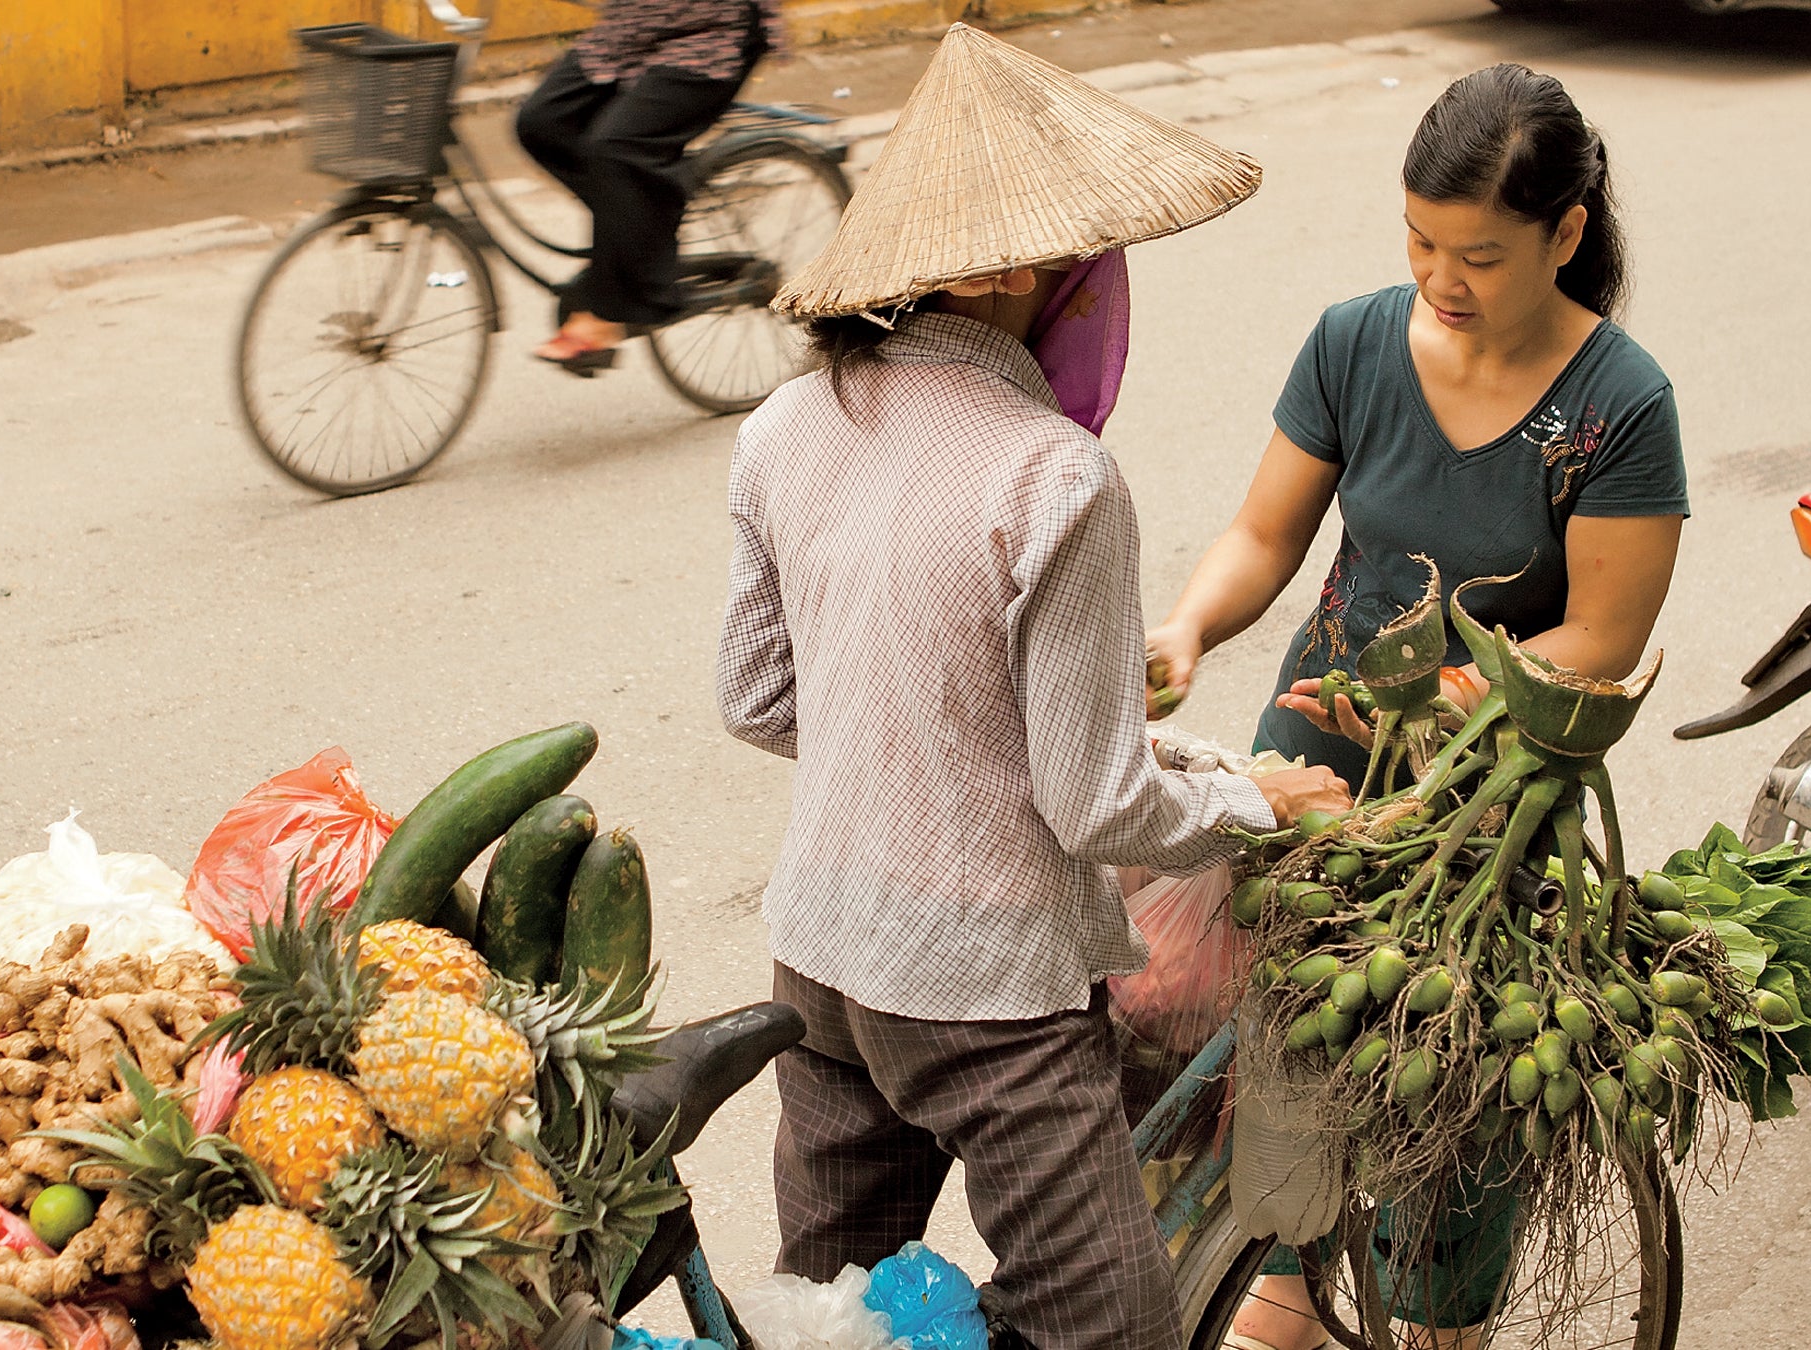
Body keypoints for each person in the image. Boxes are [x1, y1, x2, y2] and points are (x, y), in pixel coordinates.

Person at [714, 25, 1350, 1350]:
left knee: (828, 1316)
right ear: (1012, 267)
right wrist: (1256, 803)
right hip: (983, 993)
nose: (1100, 284)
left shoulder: (784, 425)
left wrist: (914, 757)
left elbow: (761, 701)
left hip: (824, 958)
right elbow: (1092, 798)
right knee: (1108, 1318)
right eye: (1086, 257)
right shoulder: (1052, 476)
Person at [1143, 64, 1689, 1350]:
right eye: (1421, 241)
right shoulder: (1355, 340)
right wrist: (1191, 623)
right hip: (1314, 762)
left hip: (1484, 808)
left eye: (1482, 255)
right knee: (1282, 1067)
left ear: (1565, 234)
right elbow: (1266, 530)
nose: (1442, 279)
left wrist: (1433, 695)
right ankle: (1275, 1287)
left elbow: (1602, 638)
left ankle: (1439, 1324)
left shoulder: (1619, 407)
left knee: (1448, 1084)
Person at [514, 0, 776, 375]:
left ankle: (608, 311)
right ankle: (636, 225)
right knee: (541, 123)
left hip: (710, 32)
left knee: (615, 149)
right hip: (631, 28)